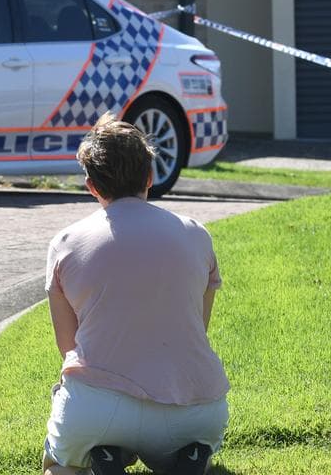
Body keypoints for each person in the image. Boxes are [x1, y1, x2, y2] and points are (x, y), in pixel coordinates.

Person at [43, 113, 229, 475]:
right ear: (149, 176)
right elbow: (197, 327)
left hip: (98, 408)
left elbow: (68, 347)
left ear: (91, 186)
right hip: (195, 407)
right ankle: (188, 459)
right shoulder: (196, 234)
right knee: (180, 443)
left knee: (60, 464)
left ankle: (108, 454)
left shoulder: (65, 243)